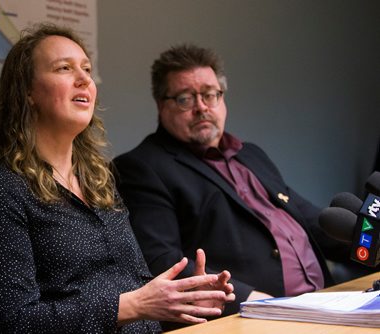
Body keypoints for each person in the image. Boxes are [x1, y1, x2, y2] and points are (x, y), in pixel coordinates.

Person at [0, 25, 235, 333]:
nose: (84, 79)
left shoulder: (100, 184)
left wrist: (183, 303)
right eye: (64, 68)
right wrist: (132, 306)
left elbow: (137, 299)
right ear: (28, 92)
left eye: (87, 69)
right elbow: (17, 323)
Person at [113, 44, 360, 320]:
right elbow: (163, 260)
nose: (201, 108)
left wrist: (368, 242)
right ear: (161, 105)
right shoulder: (143, 167)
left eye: (210, 95)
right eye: (185, 99)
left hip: (325, 304)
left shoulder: (250, 154)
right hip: (250, 317)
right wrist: (250, 300)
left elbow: (311, 221)